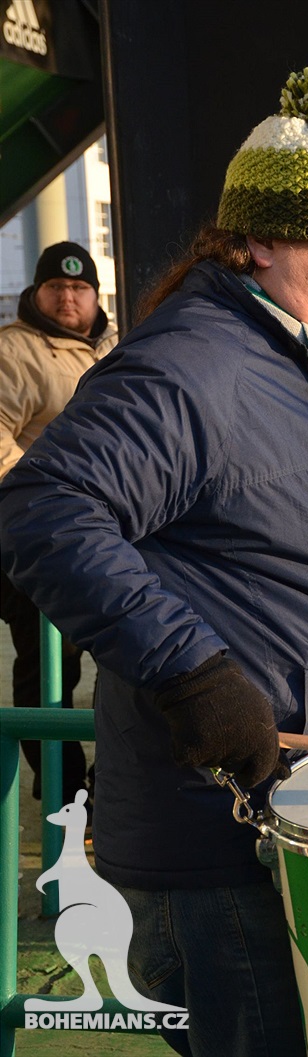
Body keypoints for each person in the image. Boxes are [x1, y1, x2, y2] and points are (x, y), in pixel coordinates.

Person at [0, 56, 308, 1057]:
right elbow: (42, 508)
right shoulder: (195, 364)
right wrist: (191, 669)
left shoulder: (296, 360)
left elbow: (268, 541)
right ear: (259, 239)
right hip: (230, 853)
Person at [0, 241, 118, 805]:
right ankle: (63, 796)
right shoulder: (14, 351)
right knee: (51, 669)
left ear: (95, 296)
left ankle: (111, 791)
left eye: (78, 288)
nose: (68, 298)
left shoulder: (119, 347)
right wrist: (41, 497)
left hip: (110, 533)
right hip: (36, 535)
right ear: (37, 292)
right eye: (56, 287)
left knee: (123, 662)